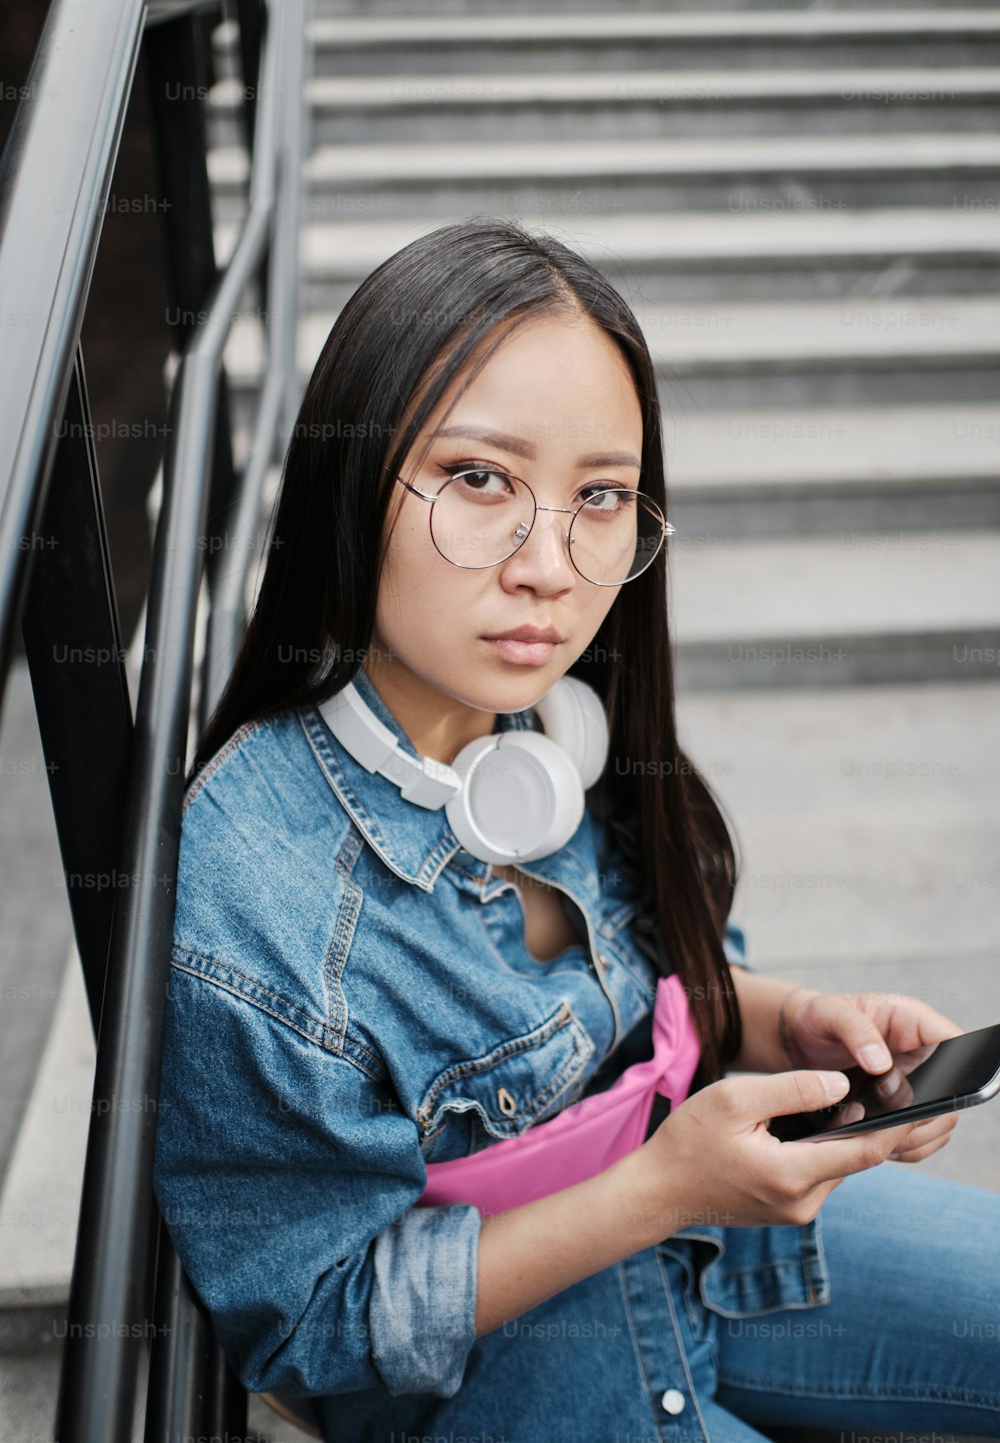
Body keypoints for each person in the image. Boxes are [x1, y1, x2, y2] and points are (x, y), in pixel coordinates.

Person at [152, 215, 1000, 1443]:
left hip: (703, 1231)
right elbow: (315, 1324)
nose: (550, 565)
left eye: (599, 496)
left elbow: (640, 984)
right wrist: (659, 1190)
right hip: (506, 1368)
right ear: (351, 480)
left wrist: (779, 1017)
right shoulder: (263, 898)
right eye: (482, 479)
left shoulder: (557, 723)